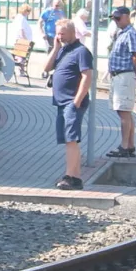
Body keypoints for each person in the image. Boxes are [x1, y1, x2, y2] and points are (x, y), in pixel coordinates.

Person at [44, 18, 95, 191]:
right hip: (61, 102)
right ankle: (75, 177)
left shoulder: (81, 52)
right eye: (58, 33)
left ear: (73, 33)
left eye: (62, 34)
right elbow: (46, 68)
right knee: (67, 139)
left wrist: (76, 101)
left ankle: (70, 176)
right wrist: (56, 47)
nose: (60, 36)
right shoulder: (63, 50)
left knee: (71, 139)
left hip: (71, 102)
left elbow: (87, 76)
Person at [106, 5, 136, 160]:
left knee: (124, 111)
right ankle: (129, 145)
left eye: (118, 17)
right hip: (119, 76)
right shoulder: (121, 33)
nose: (115, 21)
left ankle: (124, 146)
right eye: (114, 18)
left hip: (125, 76)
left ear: (127, 16)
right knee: (124, 111)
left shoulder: (130, 34)